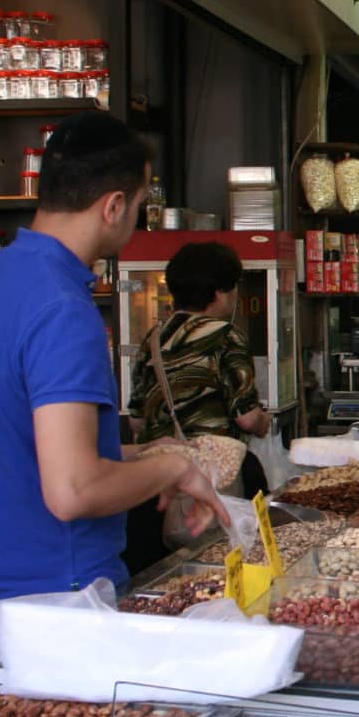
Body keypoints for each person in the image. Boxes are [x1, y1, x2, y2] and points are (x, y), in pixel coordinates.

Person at [0, 112, 218, 625]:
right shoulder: (62, 308)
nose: (136, 220)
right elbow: (73, 490)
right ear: (113, 207)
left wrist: (141, 455)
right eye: (138, 205)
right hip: (60, 602)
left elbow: (20, 444)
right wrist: (175, 469)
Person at [126, 241, 274, 570]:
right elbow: (247, 418)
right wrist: (266, 422)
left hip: (153, 485)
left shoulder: (153, 338)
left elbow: (136, 422)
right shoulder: (226, 336)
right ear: (220, 292)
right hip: (212, 485)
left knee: (162, 581)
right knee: (226, 572)